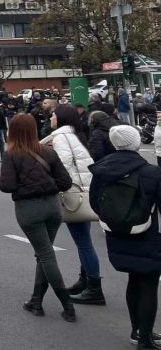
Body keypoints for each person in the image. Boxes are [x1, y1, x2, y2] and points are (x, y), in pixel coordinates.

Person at [0, 114, 75, 322]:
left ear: (12, 132)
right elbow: (65, 182)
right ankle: (36, 300)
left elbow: (7, 185)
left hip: (29, 209)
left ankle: (67, 304)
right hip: (52, 207)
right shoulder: (48, 152)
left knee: (46, 255)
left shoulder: (11, 155)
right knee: (44, 252)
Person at [89, 125, 161, 348]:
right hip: (147, 232)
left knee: (133, 279)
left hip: (116, 233)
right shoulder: (150, 172)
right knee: (148, 282)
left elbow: (94, 201)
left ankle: (137, 330)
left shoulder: (102, 170)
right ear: (136, 143)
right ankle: (146, 339)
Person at [41, 104, 105, 306]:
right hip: (84, 193)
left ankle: (94, 288)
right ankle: (85, 281)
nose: (50, 117)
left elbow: (65, 168)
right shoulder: (74, 135)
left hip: (73, 197)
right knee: (84, 241)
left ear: (60, 118)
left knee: (83, 242)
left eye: (52, 115)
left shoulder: (60, 138)